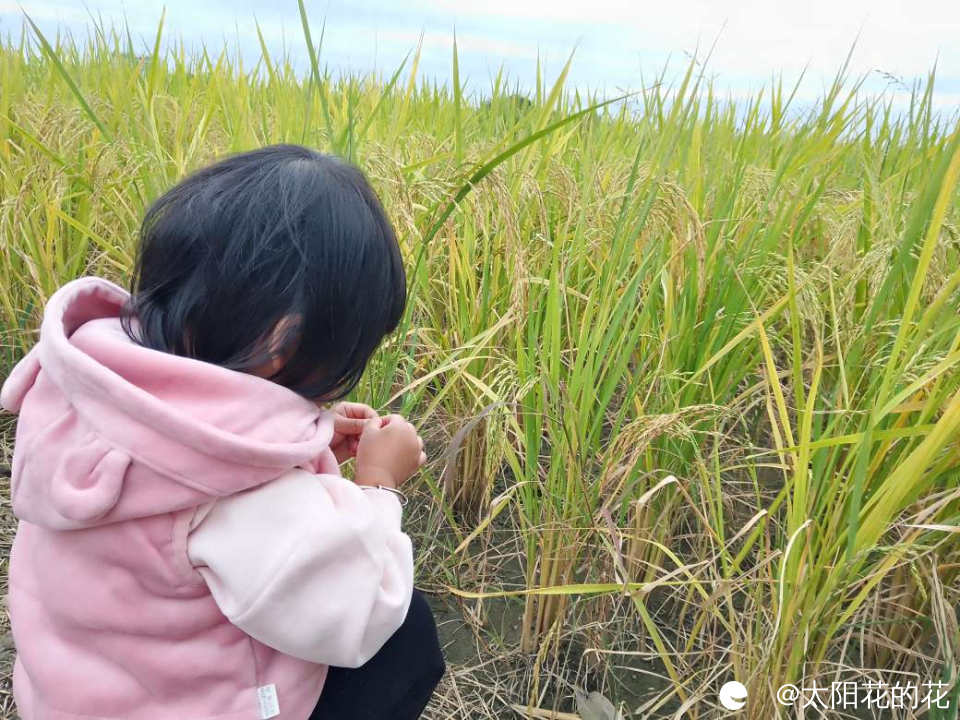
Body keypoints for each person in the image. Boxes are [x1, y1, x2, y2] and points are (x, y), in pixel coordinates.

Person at [0, 145, 445, 720]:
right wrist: (378, 485)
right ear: (283, 343)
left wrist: (294, 443)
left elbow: (197, 434)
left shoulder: (81, 385)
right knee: (407, 637)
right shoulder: (234, 493)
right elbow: (358, 615)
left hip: (70, 691)